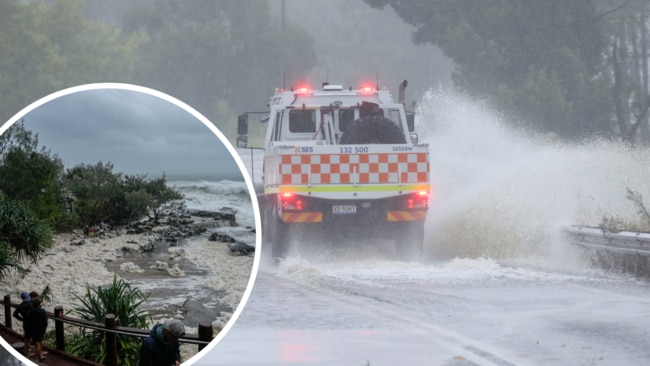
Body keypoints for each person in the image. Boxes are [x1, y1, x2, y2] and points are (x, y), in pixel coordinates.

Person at [27, 297, 47, 361]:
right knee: (38, 342)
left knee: (37, 341)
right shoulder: (42, 311)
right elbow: (45, 321)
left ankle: (40, 353)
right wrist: (44, 328)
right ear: (39, 304)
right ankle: (39, 357)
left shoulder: (30, 311)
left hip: (33, 328)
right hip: (40, 328)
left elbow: (29, 320)